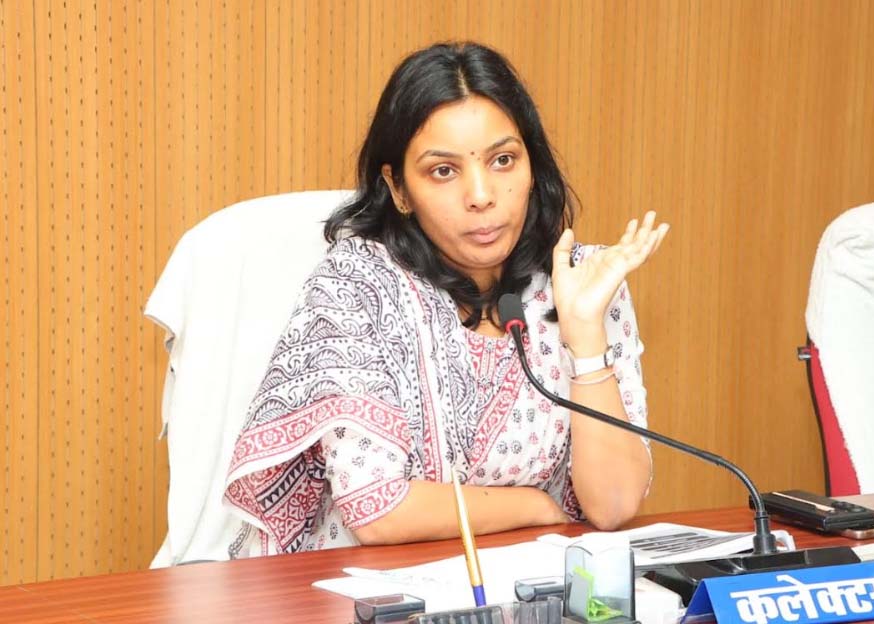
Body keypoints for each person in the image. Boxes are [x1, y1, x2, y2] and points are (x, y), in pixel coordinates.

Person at [224, 41, 669, 557]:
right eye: (443, 170)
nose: (481, 195)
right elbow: (377, 509)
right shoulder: (357, 286)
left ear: (533, 168)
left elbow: (613, 506)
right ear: (398, 189)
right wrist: (534, 507)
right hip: (368, 586)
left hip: (523, 585)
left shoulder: (583, 281)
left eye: (503, 160)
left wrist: (585, 337)